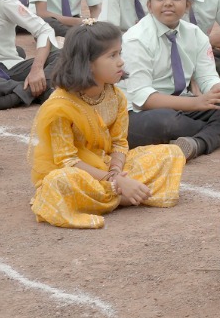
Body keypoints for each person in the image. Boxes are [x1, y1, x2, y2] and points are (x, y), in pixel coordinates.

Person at [30, 21, 185, 229]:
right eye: (112, 56)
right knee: (58, 182)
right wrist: (116, 181)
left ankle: (110, 196)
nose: (121, 62)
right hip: (79, 173)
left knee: (171, 153)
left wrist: (116, 173)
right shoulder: (60, 106)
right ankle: (122, 196)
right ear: (87, 63)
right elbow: (67, 161)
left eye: (120, 53)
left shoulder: (116, 96)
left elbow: (120, 143)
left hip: (108, 167)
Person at [120, 0, 220, 161]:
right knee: (164, 122)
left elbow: (207, 77)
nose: (168, 3)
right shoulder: (136, 39)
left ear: (188, 5)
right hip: (141, 113)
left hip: (183, 105)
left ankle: (198, 143)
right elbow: (143, 99)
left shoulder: (195, 34)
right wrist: (197, 103)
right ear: (149, 5)